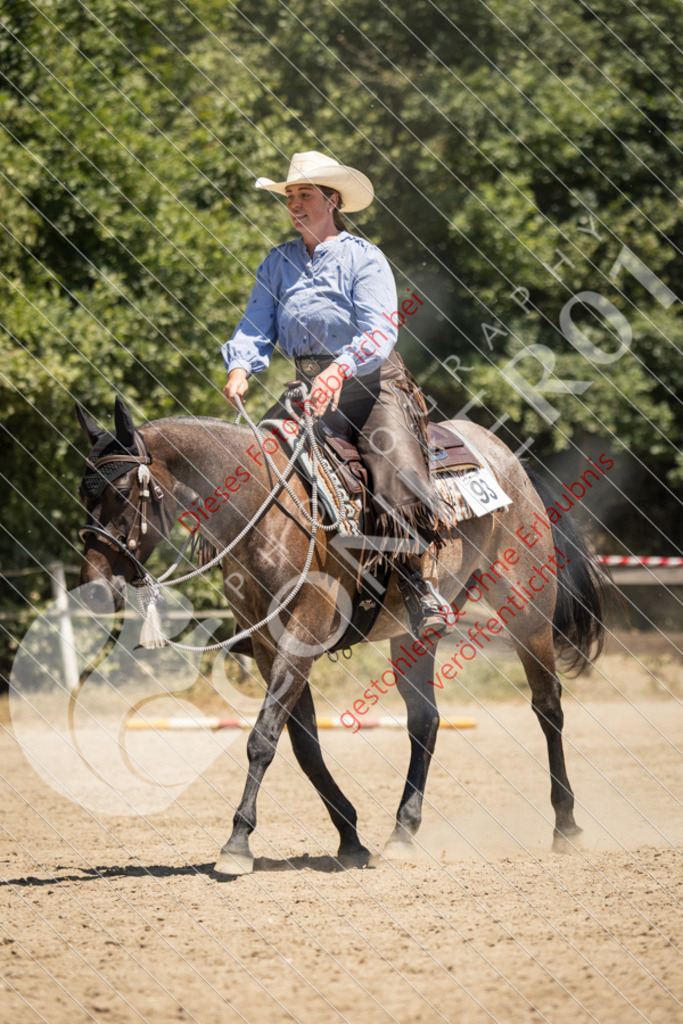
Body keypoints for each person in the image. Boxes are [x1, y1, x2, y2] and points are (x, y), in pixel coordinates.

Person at [222, 151, 451, 639]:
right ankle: (253, 597)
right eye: (290, 196)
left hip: (372, 382)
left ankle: (417, 581)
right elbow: (254, 325)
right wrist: (241, 364)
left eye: (304, 194)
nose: (295, 204)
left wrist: (340, 370)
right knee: (251, 468)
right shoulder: (277, 262)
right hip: (308, 387)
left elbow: (378, 331)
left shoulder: (363, 256)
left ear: (331, 200)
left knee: (397, 474)